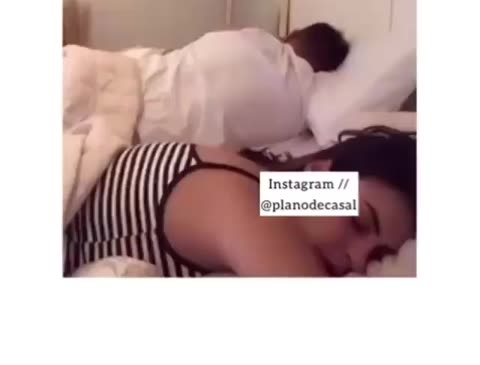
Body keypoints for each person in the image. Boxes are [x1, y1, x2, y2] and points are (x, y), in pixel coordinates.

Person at [64, 127, 416, 278]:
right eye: (358, 220)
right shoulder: (245, 205)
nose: (358, 260)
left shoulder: (254, 182)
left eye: (377, 256)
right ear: (320, 175)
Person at [125, 23, 350, 147]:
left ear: (295, 34)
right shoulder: (298, 115)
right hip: (147, 129)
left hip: (135, 75)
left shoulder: (258, 38)